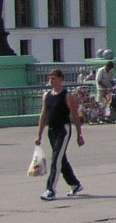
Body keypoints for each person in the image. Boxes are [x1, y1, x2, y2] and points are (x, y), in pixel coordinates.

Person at [34, 70, 85, 200]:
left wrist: (79, 135)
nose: (51, 80)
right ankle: (75, 184)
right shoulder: (46, 95)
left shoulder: (67, 96)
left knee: (56, 159)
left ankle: (50, 190)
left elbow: (75, 115)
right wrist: (39, 135)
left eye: (54, 78)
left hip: (64, 129)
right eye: (50, 78)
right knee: (61, 159)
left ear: (61, 79)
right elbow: (43, 114)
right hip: (52, 131)